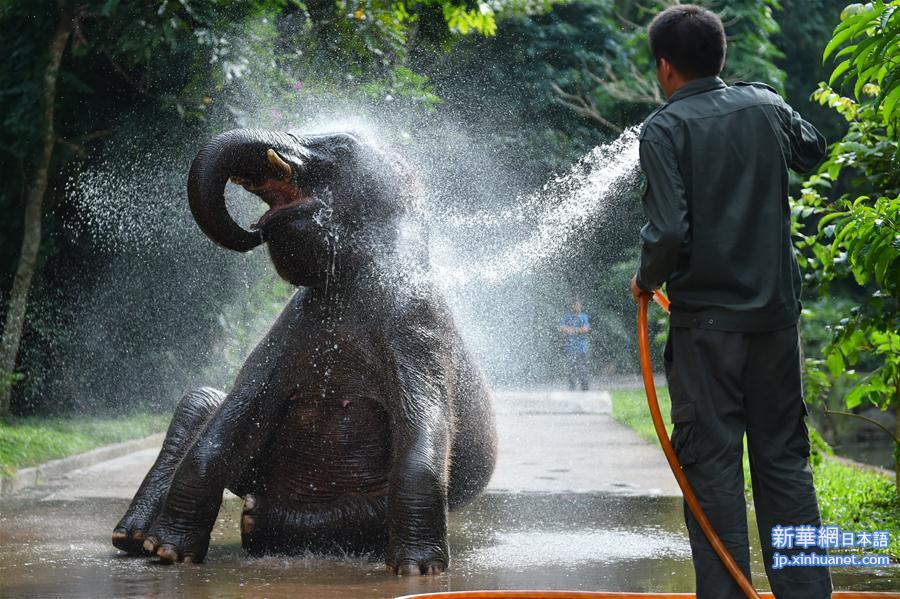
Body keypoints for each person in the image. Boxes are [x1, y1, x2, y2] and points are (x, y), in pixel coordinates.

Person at [628, 5, 831, 599]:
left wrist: (646, 281)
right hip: (774, 325)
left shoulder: (663, 129)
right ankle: (806, 594)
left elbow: (668, 233)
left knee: (713, 472)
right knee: (785, 463)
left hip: (708, 333)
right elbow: (813, 149)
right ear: (721, 57)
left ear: (665, 68)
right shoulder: (765, 104)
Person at [559, 300, 590, 391]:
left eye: (579, 306)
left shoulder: (584, 316)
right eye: (576, 305)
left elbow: (585, 329)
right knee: (570, 370)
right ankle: (572, 388)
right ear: (572, 306)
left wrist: (572, 330)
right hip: (570, 348)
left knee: (582, 369)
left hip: (581, 348)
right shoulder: (567, 317)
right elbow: (562, 329)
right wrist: (578, 330)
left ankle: (585, 388)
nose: (578, 307)